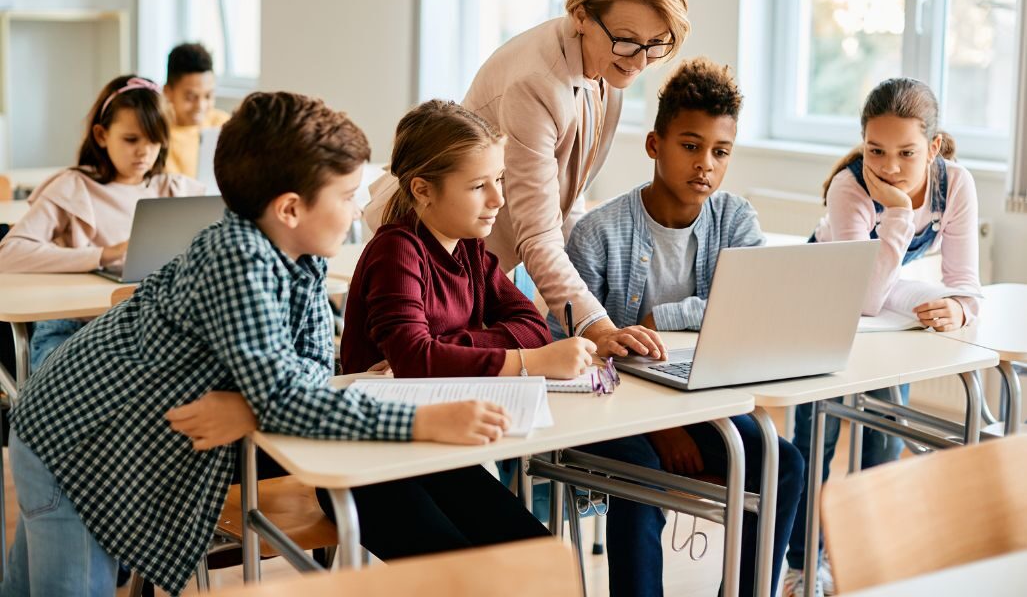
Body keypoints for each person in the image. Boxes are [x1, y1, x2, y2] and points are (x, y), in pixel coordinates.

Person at [0, 92, 522, 597]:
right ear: (291, 208)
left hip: (111, 436)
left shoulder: (305, 255)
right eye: (345, 196)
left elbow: (313, 374)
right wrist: (423, 420)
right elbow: (291, 397)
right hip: (75, 440)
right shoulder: (237, 258)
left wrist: (256, 407)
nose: (358, 207)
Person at [367, 0, 688, 361]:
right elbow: (538, 232)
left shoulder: (610, 69)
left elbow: (565, 208)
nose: (640, 60)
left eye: (657, 43)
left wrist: (600, 312)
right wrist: (597, 324)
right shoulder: (536, 82)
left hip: (479, 261)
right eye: (627, 40)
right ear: (581, 16)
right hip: (429, 250)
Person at [565, 58, 804, 597]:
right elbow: (582, 353)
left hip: (704, 403)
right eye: (690, 146)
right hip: (614, 415)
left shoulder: (735, 219)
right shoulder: (597, 235)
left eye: (720, 152)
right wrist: (660, 426)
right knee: (641, 476)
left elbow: (748, 308)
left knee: (784, 463)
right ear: (655, 145)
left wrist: (657, 320)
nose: (706, 165)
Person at [782, 77, 981, 597]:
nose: (889, 166)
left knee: (887, 431)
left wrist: (958, 311)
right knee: (816, 437)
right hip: (826, 290)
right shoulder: (850, 187)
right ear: (862, 142)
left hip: (880, 286)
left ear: (934, 148)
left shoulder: (955, 185)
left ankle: (869, 565)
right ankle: (804, 565)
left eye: (906, 152)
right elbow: (859, 299)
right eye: (876, 150)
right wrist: (896, 211)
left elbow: (965, 285)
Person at [341, 99, 596, 381]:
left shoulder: (468, 247)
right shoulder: (396, 251)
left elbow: (535, 328)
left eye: (499, 179)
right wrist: (530, 361)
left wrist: (439, 353)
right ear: (423, 190)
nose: (498, 199)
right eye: (478, 186)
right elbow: (414, 360)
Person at [0, 74, 204, 370]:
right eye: (131, 139)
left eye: (154, 141)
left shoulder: (176, 190)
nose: (144, 152)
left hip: (148, 329)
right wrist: (103, 254)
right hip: (75, 329)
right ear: (101, 135)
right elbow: (8, 253)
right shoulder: (72, 187)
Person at [162, 42, 231, 177]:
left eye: (208, 96)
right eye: (191, 97)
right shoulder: (159, 135)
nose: (201, 106)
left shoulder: (224, 124)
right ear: (167, 92)